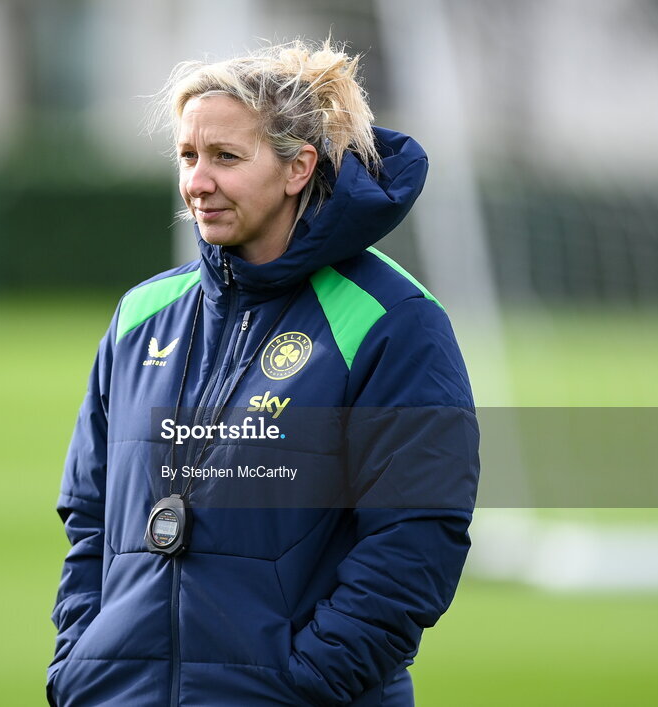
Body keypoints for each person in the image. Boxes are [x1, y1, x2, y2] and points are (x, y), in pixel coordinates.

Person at [47, 39, 479, 706]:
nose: (197, 181)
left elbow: (416, 539)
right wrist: (83, 663)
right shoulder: (142, 315)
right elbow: (89, 518)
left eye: (225, 156)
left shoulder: (392, 320)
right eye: (188, 157)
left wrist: (304, 682)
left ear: (298, 167)